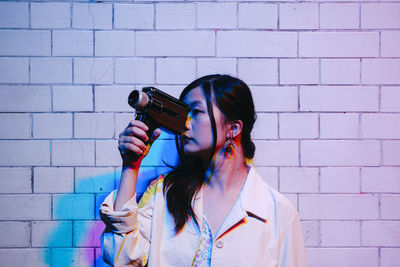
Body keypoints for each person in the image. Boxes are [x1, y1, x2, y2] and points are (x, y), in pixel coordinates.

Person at [100, 74, 307, 267]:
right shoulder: (163, 194)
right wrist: (131, 165)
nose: (185, 124)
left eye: (196, 112)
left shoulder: (279, 214)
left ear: (233, 128)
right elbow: (122, 258)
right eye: (184, 114)